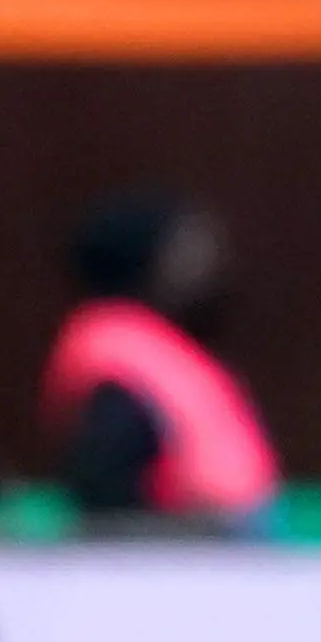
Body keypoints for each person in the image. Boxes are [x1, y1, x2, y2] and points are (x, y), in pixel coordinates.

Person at [43, 193, 281, 522]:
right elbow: (105, 488)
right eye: (189, 250)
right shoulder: (118, 353)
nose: (212, 262)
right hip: (181, 557)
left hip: (221, 550)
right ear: (149, 261)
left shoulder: (157, 348)